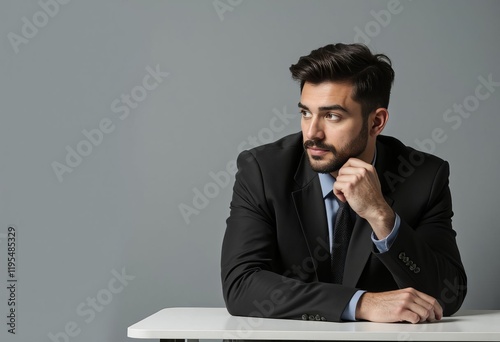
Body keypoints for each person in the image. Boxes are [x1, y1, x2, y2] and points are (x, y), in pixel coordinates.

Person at [220, 43, 466, 323]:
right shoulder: (263, 171)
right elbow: (241, 285)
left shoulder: (424, 177)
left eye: (332, 116)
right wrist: (360, 303)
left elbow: (449, 294)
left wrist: (381, 215)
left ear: (376, 122)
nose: (312, 133)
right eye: (306, 113)